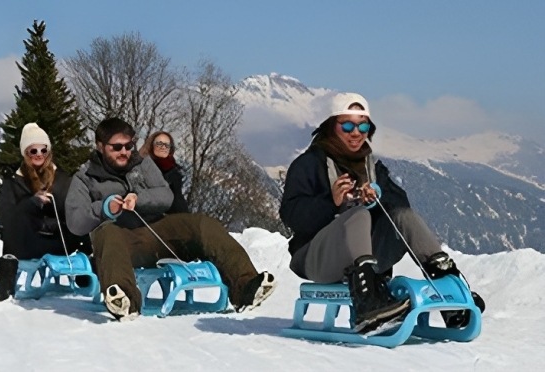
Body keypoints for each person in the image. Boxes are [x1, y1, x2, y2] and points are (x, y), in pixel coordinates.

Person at [279, 92, 485, 333]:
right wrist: (331, 202)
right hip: (316, 256)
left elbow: (401, 206)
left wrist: (378, 196)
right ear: (331, 127)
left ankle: (449, 288)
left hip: (361, 253)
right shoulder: (309, 164)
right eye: (347, 125)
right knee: (358, 215)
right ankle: (368, 303)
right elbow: (291, 214)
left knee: (403, 217)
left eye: (363, 125)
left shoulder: (372, 166)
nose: (355, 132)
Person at [65, 117, 275, 320]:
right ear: (100, 147)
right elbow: (75, 221)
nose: (125, 152)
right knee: (107, 231)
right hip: (122, 240)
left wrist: (138, 199)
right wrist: (104, 208)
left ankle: (245, 287)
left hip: (157, 230)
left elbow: (165, 195)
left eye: (129, 146)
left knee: (200, 223)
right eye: (117, 147)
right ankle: (124, 299)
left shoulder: (142, 164)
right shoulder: (85, 178)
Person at [0, 122, 89, 301]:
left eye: (43, 150)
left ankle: (87, 269)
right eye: (33, 151)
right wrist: (31, 203)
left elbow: (73, 209)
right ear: (25, 153)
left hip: (59, 240)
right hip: (28, 242)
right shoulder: (13, 182)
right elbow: (6, 217)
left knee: (86, 217)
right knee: (13, 228)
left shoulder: (63, 178)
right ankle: (5, 286)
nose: (39, 155)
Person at [138, 130, 189, 214]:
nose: (163, 147)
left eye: (167, 144)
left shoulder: (173, 169)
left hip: (177, 216)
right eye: (159, 143)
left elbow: (178, 198)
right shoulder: (143, 166)